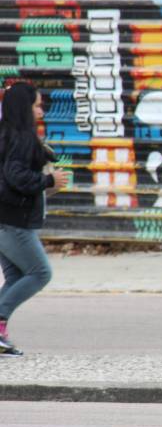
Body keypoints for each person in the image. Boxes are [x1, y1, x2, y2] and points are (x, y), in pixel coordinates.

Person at [0, 82, 70, 357]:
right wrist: (48, 179)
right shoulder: (22, 139)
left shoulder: (7, 136)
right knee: (40, 273)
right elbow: (15, 176)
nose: (41, 110)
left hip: (4, 219)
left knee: (17, 275)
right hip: (13, 222)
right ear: (24, 108)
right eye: (37, 105)